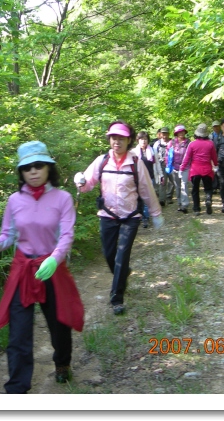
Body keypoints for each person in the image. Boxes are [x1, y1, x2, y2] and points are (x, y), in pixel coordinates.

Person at [0, 141, 84, 394]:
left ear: (49, 168)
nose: (33, 171)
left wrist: (55, 258)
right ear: (21, 172)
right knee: (18, 333)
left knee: (59, 324)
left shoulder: (63, 198)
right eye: (27, 168)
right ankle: (17, 388)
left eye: (39, 165)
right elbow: (8, 236)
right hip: (23, 270)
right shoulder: (14, 201)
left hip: (53, 267)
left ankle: (62, 363)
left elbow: (66, 235)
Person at [74, 121, 163, 316]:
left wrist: (155, 213)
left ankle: (117, 298)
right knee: (109, 255)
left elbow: (147, 190)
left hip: (130, 217)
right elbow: (87, 185)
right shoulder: (102, 161)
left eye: (121, 138)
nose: (117, 141)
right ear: (109, 139)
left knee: (122, 256)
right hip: (107, 215)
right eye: (114, 138)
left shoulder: (136, 163)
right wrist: (79, 180)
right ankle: (122, 276)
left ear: (129, 140)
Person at [179, 123, 218, 216]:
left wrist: (181, 169)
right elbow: (214, 157)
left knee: (195, 190)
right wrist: (216, 166)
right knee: (208, 188)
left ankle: (197, 209)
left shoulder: (192, 144)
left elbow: (187, 158)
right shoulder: (210, 144)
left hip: (195, 170)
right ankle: (208, 199)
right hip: (207, 169)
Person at [132, 131, 162, 228]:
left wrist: (161, 175)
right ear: (138, 141)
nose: (143, 141)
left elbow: (157, 164)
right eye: (141, 139)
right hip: (137, 179)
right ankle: (139, 216)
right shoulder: (133, 152)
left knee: (147, 198)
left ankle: (145, 218)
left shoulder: (153, 150)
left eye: (145, 139)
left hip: (150, 178)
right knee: (138, 199)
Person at [165, 125, 191, 214]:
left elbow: (192, 154)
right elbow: (167, 155)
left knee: (184, 185)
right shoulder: (171, 143)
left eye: (183, 131)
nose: (181, 133)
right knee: (178, 186)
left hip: (185, 167)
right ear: (176, 133)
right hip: (175, 168)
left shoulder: (188, 142)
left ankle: (185, 204)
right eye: (179, 132)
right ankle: (180, 204)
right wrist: (168, 166)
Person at [153, 127, 174, 205]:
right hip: (161, 164)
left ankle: (169, 196)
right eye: (163, 133)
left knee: (172, 182)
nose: (164, 135)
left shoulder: (172, 142)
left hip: (171, 164)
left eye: (166, 133)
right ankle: (162, 199)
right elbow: (154, 155)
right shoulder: (157, 143)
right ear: (160, 134)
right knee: (162, 181)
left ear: (168, 134)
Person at [209, 121, 222, 194]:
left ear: (219, 126)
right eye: (214, 126)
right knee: (213, 171)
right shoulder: (210, 136)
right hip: (212, 155)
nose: (216, 128)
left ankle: (220, 186)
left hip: (221, 155)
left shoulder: (223, 135)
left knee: (220, 171)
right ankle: (214, 187)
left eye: (217, 126)